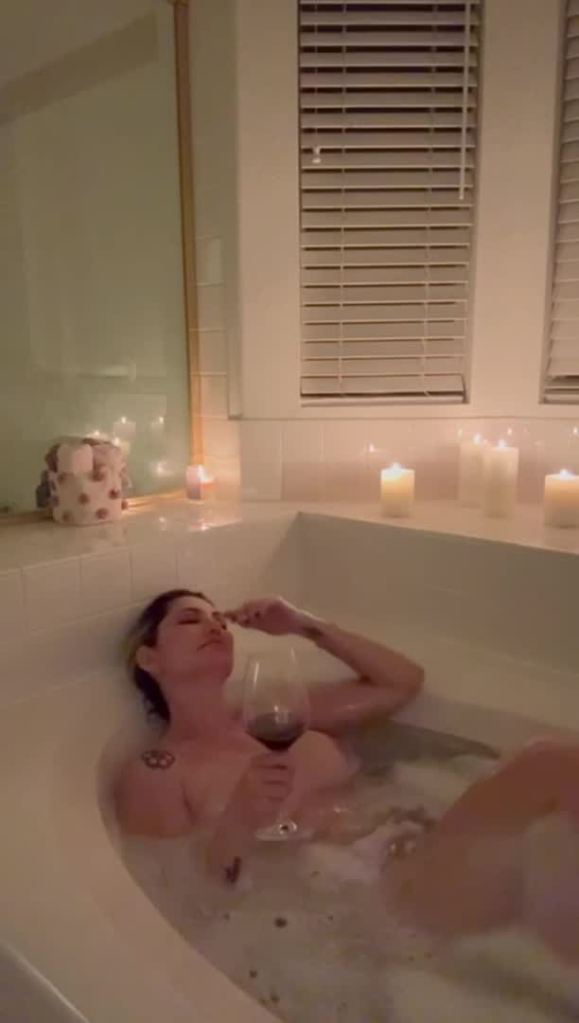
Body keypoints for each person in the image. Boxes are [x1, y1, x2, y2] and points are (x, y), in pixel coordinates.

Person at [116, 589, 424, 879]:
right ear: (149, 659)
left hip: (397, 841)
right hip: (340, 891)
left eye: (220, 621)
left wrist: (303, 625)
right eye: (189, 620)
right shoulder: (157, 773)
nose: (215, 627)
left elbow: (401, 683)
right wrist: (239, 817)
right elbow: (183, 892)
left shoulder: (277, 714)